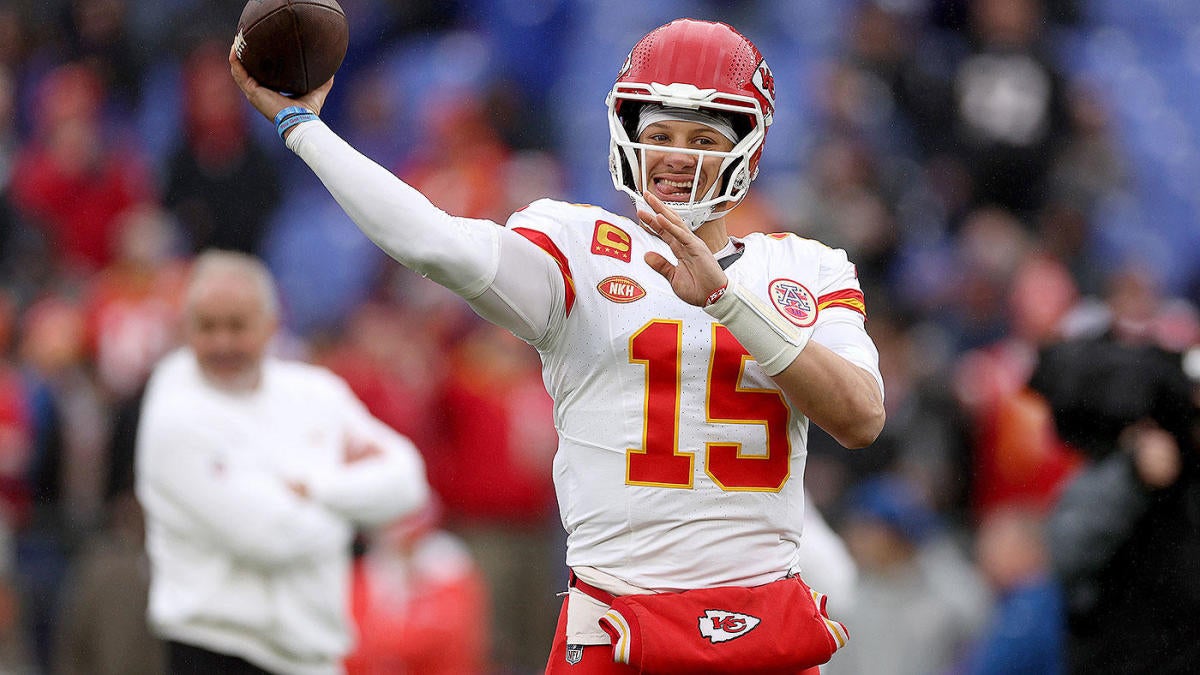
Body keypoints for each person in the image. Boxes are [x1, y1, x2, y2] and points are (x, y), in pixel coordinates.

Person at [231, 17, 885, 674]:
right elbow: (434, 242)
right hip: (619, 620)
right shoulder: (579, 244)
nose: (676, 155)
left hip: (762, 629)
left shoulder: (805, 266)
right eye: (658, 134)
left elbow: (860, 416)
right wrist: (304, 128)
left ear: (749, 148)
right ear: (626, 135)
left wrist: (726, 301)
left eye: (702, 137)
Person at [134, 250, 431, 675]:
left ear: (272, 325)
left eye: (237, 326)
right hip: (214, 651)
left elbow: (407, 483)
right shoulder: (173, 412)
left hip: (315, 657)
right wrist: (356, 514)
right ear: (185, 328)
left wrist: (313, 489)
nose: (222, 342)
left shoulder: (316, 392)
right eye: (207, 326)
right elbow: (271, 537)